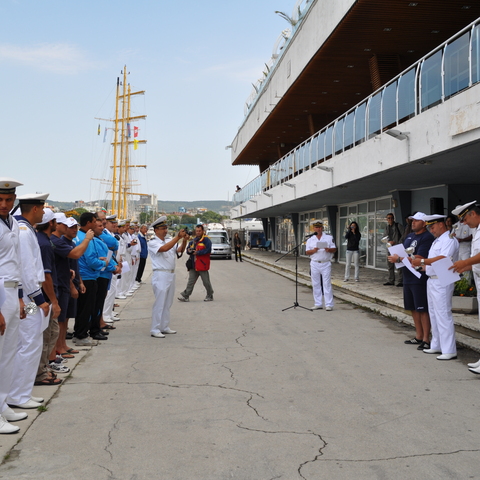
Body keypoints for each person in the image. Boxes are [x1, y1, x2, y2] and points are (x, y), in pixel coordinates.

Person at [0, 178, 28, 434]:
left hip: (11, 290)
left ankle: (2, 403)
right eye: (0, 199)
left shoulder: (12, 223)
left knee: (8, 353)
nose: (4, 204)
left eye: (9, 200)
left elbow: (15, 262)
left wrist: (19, 296)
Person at [411, 215, 459, 360]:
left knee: (443, 314)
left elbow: (443, 258)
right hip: (432, 279)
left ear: (441, 225)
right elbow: (432, 263)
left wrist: (422, 261)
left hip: (442, 280)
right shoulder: (437, 240)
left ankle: (449, 349)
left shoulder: (449, 240)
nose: (431, 230)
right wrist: (421, 266)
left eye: (432, 227)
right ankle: (437, 344)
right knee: (433, 314)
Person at [387, 212, 434, 350]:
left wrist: (399, 259)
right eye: (412, 220)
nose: (413, 222)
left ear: (424, 223)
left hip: (419, 277)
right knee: (413, 308)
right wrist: (396, 255)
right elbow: (404, 252)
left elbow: (420, 257)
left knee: (422, 308)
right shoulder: (409, 236)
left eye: (416, 221)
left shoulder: (427, 237)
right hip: (407, 276)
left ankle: (426, 338)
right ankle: (418, 335)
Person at [449, 201, 480, 373]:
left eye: (465, 219)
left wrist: (465, 262)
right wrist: (466, 267)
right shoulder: (477, 230)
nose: (464, 223)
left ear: (473, 214)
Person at [148, 216, 188, 338]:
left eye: (166, 228)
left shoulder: (169, 240)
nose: (165, 231)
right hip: (160, 274)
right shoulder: (153, 242)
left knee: (168, 302)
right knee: (160, 303)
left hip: (170, 273)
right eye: (162, 228)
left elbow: (179, 250)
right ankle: (155, 329)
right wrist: (178, 237)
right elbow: (164, 249)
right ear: (156, 230)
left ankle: (164, 326)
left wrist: (184, 240)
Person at [178, 224, 215, 302]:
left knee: (206, 282)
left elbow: (208, 250)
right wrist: (189, 251)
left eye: (199, 231)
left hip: (202, 264)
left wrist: (198, 252)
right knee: (191, 281)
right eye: (197, 231)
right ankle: (186, 296)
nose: (198, 232)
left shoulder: (206, 240)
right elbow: (188, 249)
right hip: (193, 264)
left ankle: (210, 294)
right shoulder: (193, 241)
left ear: (203, 231)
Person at [305, 220, 337, 311]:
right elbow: (307, 252)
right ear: (314, 228)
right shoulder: (310, 239)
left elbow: (334, 249)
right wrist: (314, 250)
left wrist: (328, 250)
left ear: (322, 228)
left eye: (320, 227)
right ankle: (318, 303)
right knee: (316, 284)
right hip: (315, 263)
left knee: (326, 284)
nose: (318, 229)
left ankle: (329, 304)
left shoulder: (328, 237)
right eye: (316, 227)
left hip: (325, 263)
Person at [384, 213, 404, 286]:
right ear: (387, 219)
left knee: (399, 264)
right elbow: (384, 236)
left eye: (391, 218)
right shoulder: (386, 227)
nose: (390, 219)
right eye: (389, 218)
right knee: (390, 265)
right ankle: (391, 280)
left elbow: (403, 235)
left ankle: (401, 281)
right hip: (389, 248)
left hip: (397, 247)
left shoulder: (398, 226)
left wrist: (396, 242)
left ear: (393, 218)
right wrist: (387, 241)